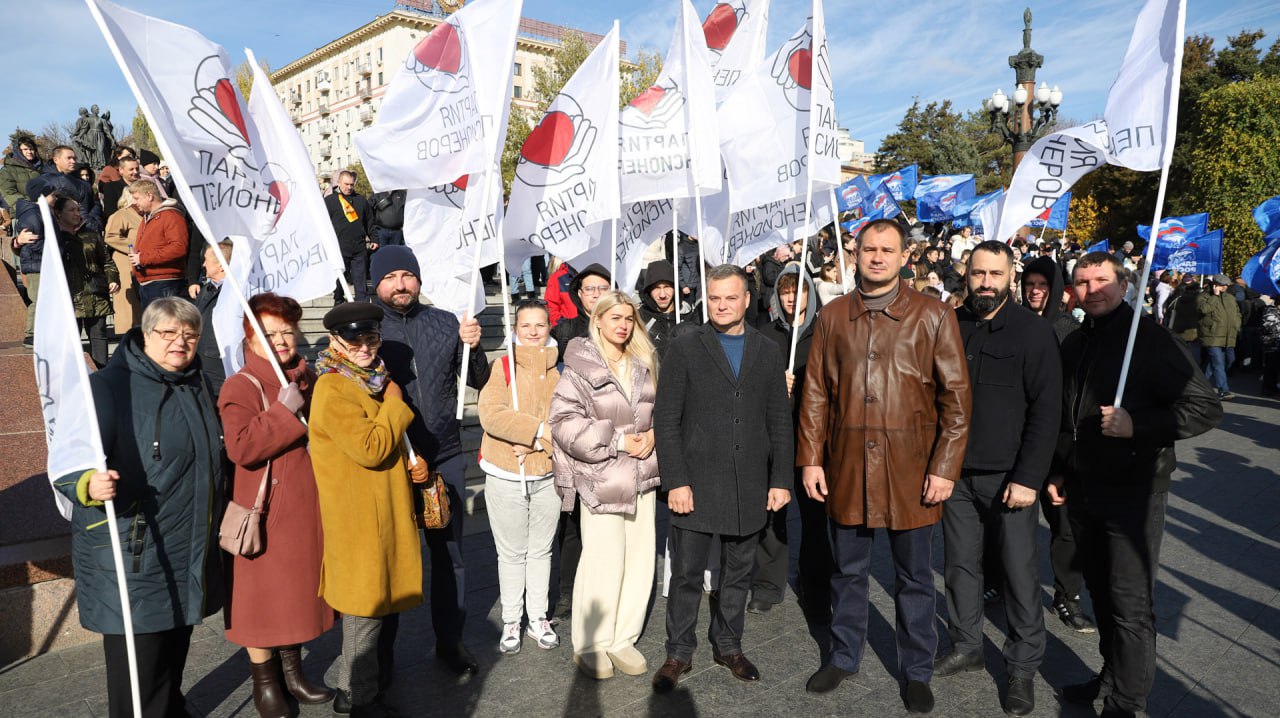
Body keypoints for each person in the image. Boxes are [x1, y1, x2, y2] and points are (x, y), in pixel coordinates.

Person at [798, 219, 971, 714]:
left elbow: (956, 400)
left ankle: (916, 669)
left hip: (911, 468)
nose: (877, 257)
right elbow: (815, 395)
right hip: (847, 463)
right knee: (847, 571)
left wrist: (944, 467)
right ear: (854, 254)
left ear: (904, 257)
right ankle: (843, 655)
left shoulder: (934, 315)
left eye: (887, 250)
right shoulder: (832, 316)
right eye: (868, 249)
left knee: (915, 576)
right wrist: (811, 457)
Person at [1050, 252, 1222, 718]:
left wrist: (1137, 425)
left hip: (1134, 490)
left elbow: (1205, 407)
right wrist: (1059, 468)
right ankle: (1111, 675)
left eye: (1102, 280)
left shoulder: (1149, 340)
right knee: (1101, 593)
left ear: (1124, 285)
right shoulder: (1075, 342)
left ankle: (1127, 702)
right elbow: (1065, 416)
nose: (1093, 290)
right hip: (1085, 487)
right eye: (1083, 282)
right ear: (1073, 291)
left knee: (1129, 600)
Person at [55, 298, 225, 718]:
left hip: (187, 546)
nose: (179, 342)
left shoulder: (197, 382)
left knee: (172, 653)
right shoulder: (110, 387)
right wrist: (87, 485)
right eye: (168, 333)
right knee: (139, 672)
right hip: (133, 551)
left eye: (189, 334)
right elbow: (66, 461)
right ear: (145, 334)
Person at [652, 264, 794, 693]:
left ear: (747, 299)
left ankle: (728, 644)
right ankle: (678, 652)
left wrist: (780, 479)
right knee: (687, 576)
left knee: (738, 573)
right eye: (714, 298)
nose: (722, 305)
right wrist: (675, 480)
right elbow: (666, 418)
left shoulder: (767, 350)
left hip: (749, 483)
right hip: (695, 484)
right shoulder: (686, 346)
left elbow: (779, 421)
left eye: (730, 297)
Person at [934, 241, 1061, 716]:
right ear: (966, 274)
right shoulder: (951, 324)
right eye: (978, 273)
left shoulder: (1033, 332)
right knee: (960, 566)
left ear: (1011, 276)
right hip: (955, 475)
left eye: (995, 274)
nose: (985, 282)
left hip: (1010, 477)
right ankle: (967, 646)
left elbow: (1046, 411)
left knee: (1018, 573)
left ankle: (1022, 666)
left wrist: (1029, 476)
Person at [371, 245, 489, 678]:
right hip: (390, 461)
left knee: (450, 555)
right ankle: (380, 657)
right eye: (390, 277)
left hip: (444, 455)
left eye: (407, 275)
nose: (400, 284)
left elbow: (477, 379)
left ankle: (450, 639)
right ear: (376, 283)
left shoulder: (444, 323)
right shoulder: (368, 332)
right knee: (393, 562)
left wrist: (474, 348)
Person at [218, 293, 335, 717]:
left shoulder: (306, 377)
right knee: (263, 603)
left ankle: (294, 675)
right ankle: (265, 683)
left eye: (287, 331)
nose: (281, 340)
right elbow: (242, 447)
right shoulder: (241, 385)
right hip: (266, 512)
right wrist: (284, 412)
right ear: (251, 337)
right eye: (269, 333)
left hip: (307, 509)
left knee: (295, 598)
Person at [309, 301, 425, 716]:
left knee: (373, 613)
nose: (364, 346)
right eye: (354, 339)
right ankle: (358, 699)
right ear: (334, 341)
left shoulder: (367, 380)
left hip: (379, 513)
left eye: (371, 337)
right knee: (364, 613)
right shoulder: (333, 387)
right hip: (358, 522)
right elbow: (371, 448)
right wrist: (396, 402)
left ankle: (353, 688)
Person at [550, 290, 661, 680]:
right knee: (603, 561)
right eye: (615, 318)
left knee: (640, 560)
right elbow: (562, 423)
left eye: (629, 318)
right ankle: (591, 643)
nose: (623, 325)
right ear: (596, 320)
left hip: (643, 475)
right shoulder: (580, 365)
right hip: (601, 478)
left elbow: (660, 410)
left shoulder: (643, 360)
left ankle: (622, 639)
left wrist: (654, 435)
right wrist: (616, 440)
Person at [477, 299, 562, 655]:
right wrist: (538, 431)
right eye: (525, 325)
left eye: (539, 325)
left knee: (541, 550)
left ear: (548, 328)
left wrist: (539, 444)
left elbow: (571, 423)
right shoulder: (503, 367)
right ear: (515, 328)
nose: (532, 332)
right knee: (511, 553)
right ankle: (512, 618)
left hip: (548, 474)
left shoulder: (563, 372)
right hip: (507, 473)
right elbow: (490, 415)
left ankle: (538, 616)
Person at [748, 264, 830, 618]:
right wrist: (772, 387)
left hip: (814, 439)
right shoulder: (765, 335)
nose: (791, 297)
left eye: (799, 290)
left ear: (810, 294)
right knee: (773, 511)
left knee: (815, 515)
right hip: (773, 437)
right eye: (784, 290)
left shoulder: (827, 331)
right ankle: (768, 583)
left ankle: (815, 584)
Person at [1019, 256, 1094, 633]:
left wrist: (1062, 461)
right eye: (1029, 283)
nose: (1035, 291)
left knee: (1064, 527)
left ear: (1057, 291)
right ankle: (1001, 584)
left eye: (1043, 285)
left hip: (1058, 447)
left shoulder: (1070, 332)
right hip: (1016, 444)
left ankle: (1067, 596)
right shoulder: (1010, 324)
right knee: (1010, 523)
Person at [546, 262, 612, 621]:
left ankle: (602, 588)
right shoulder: (565, 329)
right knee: (570, 522)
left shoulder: (621, 328)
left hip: (612, 439)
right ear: (580, 295)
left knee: (605, 521)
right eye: (590, 289)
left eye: (603, 288)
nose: (597, 295)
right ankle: (568, 592)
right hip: (575, 438)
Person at [51, 195, 118, 368]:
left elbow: (107, 262)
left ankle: (102, 375)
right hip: (71, 297)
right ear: (58, 213)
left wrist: (113, 279)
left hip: (96, 295)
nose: (76, 213)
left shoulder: (91, 234)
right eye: (71, 210)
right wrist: (17, 243)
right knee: (70, 343)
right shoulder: (54, 237)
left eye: (78, 209)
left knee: (99, 338)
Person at [128, 179, 189, 308]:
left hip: (165, 284)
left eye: (137, 198)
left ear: (149, 196)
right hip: (149, 282)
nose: (134, 202)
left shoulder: (171, 216)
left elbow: (178, 248)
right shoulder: (148, 217)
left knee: (165, 324)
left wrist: (143, 258)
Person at [103, 166, 143, 333]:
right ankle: (125, 333)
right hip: (124, 261)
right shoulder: (121, 215)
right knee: (127, 302)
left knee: (139, 301)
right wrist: (132, 247)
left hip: (140, 262)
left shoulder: (145, 215)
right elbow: (110, 236)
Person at [325, 169, 375, 302]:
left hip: (359, 247)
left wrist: (374, 238)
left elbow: (369, 221)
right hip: (340, 247)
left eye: (351, 185)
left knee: (360, 278)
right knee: (340, 277)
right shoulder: (330, 201)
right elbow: (324, 223)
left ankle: (362, 302)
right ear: (339, 183)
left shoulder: (361, 201)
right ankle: (339, 300)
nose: (349, 187)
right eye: (346, 184)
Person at [193, 241, 233, 399]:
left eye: (207, 260)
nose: (203, 264)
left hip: (219, 365)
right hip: (202, 363)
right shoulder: (206, 289)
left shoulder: (235, 291)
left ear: (221, 265)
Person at [32, 145, 103, 232]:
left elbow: (92, 204)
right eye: (69, 158)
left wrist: (94, 221)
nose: (73, 161)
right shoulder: (45, 182)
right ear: (56, 160)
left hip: (87, 229)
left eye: (74, 158)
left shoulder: (81, 181)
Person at [639, 259, 696, 358]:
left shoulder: (690, 316)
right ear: (648, 290)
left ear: (675, 288)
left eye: (667, 287)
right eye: (656, 288)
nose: (662, 295)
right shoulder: (640, 318)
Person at [1197, 273, 1242, 399]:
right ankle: (1223, 390)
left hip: (1228, 336)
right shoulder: (1204, 296)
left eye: (1227, 285)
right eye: (1223, 285)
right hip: (1212, 335)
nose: (1226, 288)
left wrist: (1237, 326)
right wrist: (1215, 296)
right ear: (1215, 285)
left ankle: (1199, 386)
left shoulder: (1230, 298)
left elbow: (1237, 313)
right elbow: (1203, 310)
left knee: (1216, 364)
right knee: (1218, 363)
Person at [0, 132, 42, 210]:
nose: (29, 152)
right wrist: (29, 206)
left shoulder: (41, 168)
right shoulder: (7, 170)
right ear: (19, 151)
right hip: (22, 213)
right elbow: (9, 193)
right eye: (25, 149)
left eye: (31, 149)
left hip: (45, 210)